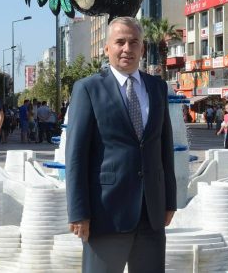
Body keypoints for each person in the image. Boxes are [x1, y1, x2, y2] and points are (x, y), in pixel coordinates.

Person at [65, 17, 176, 273]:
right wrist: (78, 212)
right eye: (120, 42)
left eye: (134, 42)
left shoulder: (157, 88)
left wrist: (169, 200)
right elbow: (76, 156)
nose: (127, 48)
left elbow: (164, 148)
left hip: (152, 213)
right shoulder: (88, 89)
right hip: (106, 214)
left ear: (142, 49)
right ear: (107, 49)